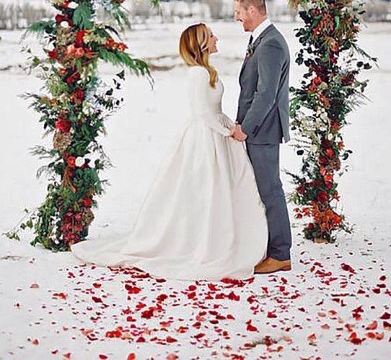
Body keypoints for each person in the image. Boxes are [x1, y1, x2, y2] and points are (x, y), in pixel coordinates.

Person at [71, 23, 268, 280]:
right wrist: (225, 132)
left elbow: (214, 110)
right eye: (210, 35)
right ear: (201, 43)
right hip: (205, 138)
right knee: (205, 189)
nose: (215, 37)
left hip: (218, 131)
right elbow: (201, 112)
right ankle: (202, 241)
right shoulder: (197, 74)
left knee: (223, 189)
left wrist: (228, 125)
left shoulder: (207, 70)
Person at [231, 0, 292, 274]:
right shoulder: (262, 40)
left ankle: (280, 254)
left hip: (263, 131)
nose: (236, 17)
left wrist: (247, 127)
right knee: (264, 190)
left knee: (270, 191)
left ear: (252, 10)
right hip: (258, 130)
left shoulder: (270, 45)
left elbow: (266, 94)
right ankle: (269, 248)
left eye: (239, 12)